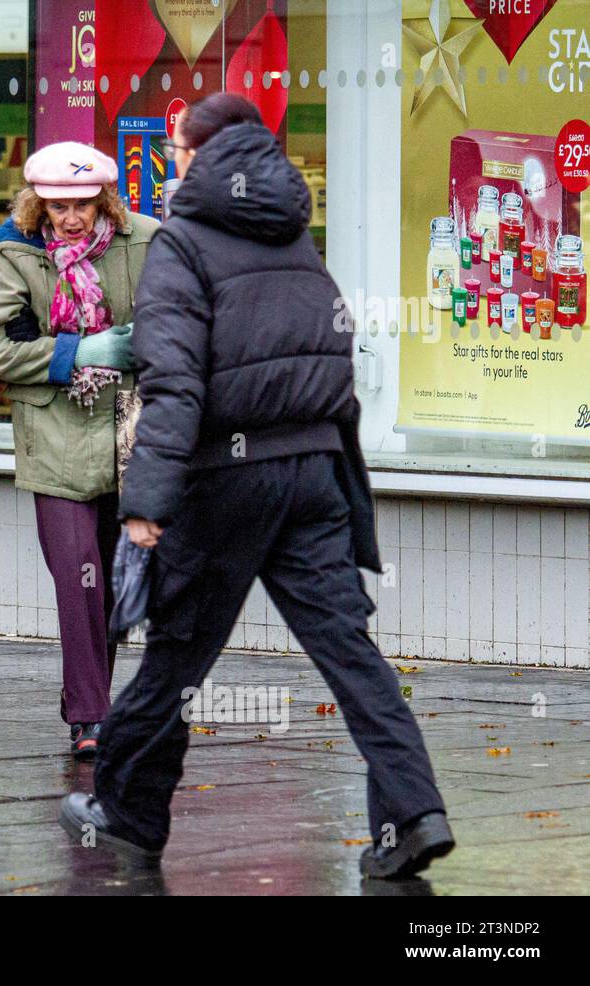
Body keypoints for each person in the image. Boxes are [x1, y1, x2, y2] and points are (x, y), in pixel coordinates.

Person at [58, 94, 452, 879]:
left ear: (202, 153)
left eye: (177, 145)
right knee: (349, 651)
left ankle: (127, 810)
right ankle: (415, 813)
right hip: (315, 472)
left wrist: (145, 501)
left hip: (227, 481)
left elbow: (174, 382)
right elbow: (335, 359)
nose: (171, 157)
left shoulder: (185, 243)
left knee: (177, 653)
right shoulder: (296, 241)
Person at [0, 142, 158, 758]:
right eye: (57, 206)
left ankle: (88, 694)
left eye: (81, 204)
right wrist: (77, 352)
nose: (70, 218)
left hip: (127, 438)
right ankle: (90, 717)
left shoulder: (147, 242)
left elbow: (183, 324)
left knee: (111, 583)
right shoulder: (20, 254)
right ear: (38, 203)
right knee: (78, 578)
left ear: (104, 198)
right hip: (54, 436)